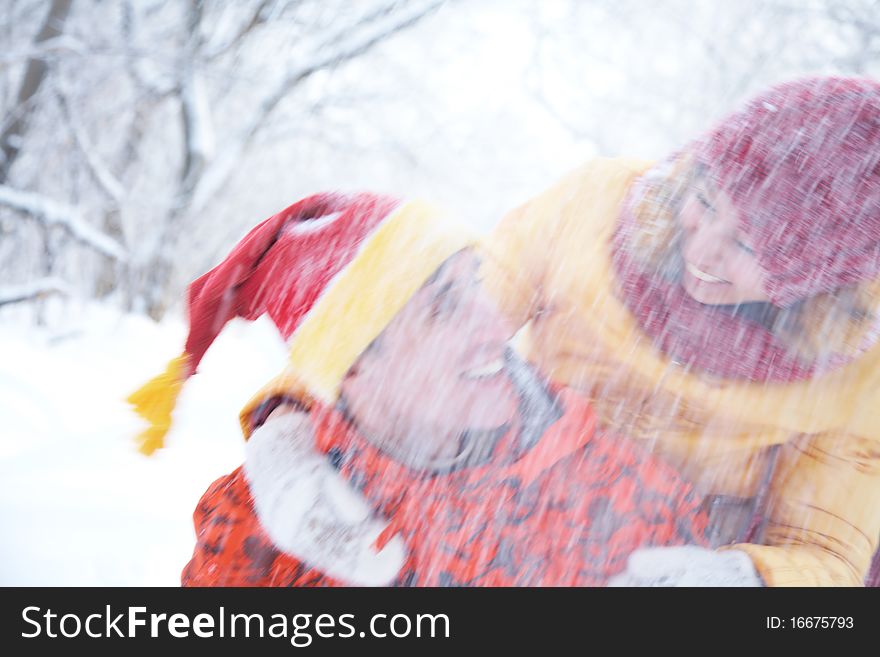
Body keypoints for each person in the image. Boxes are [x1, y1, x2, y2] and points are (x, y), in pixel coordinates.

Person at [130, 195, 717, 586]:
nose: (496, 327)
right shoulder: (257, 521)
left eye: (477, 287)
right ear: (353, 370)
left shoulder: (614, 491)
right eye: (444, 308)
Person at [479, 76, 880, 586]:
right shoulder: (593, 206)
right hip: (499, 496)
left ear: (820, 281)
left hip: (665, 561)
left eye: (751, 248)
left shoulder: (860, 372)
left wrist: (746, 579)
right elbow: (448, 318)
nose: (703, 251)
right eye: (707, 203)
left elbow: (827, 553)